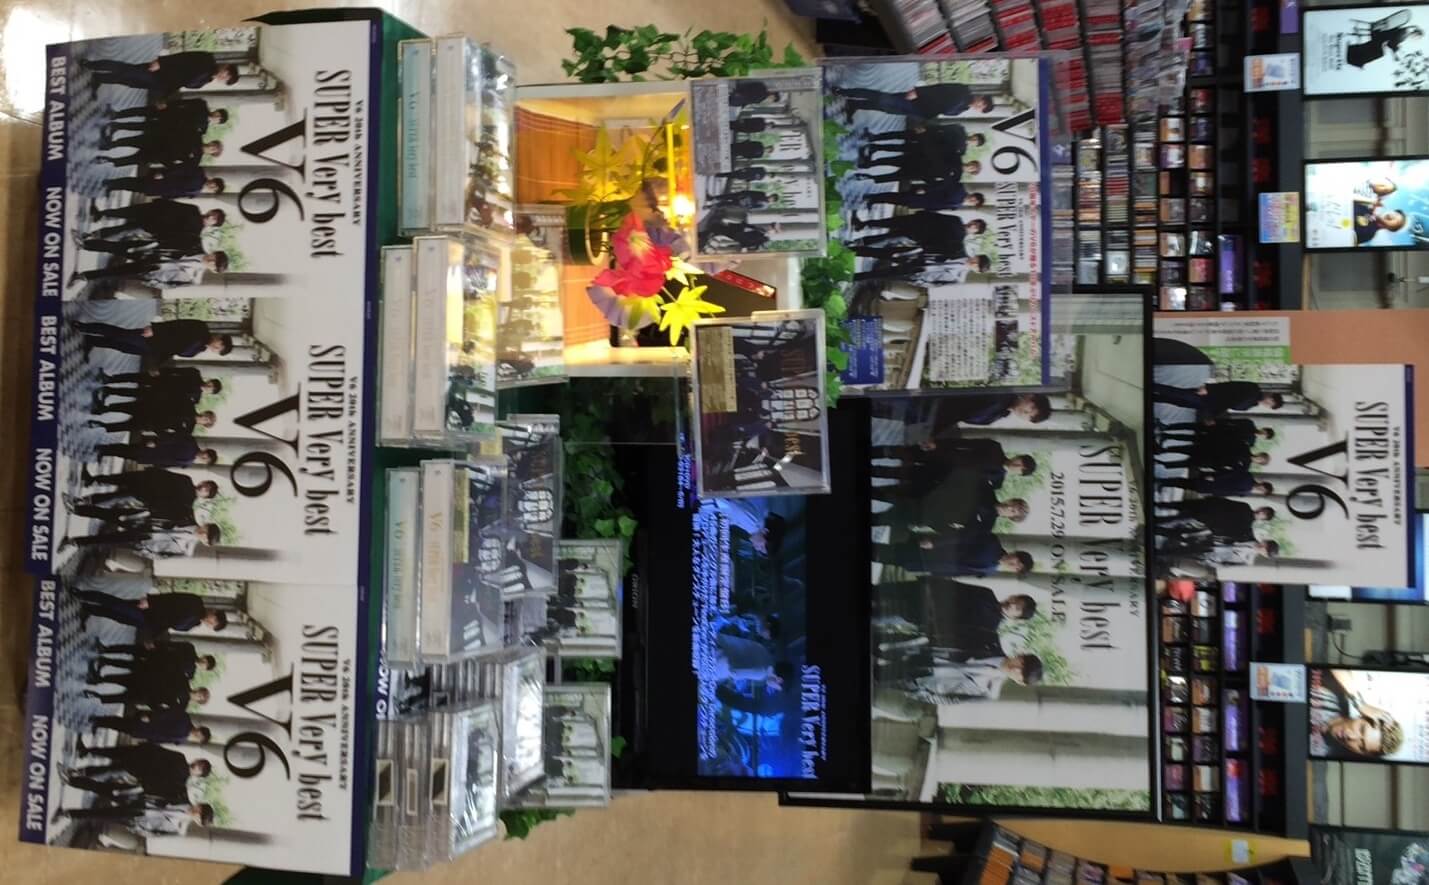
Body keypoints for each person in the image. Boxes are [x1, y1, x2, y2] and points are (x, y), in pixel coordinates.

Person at [875, 579, 1036, 660]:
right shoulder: (988, 593)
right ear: (1013, 596)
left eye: (1017, 609)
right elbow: (956, 586)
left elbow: (956, 631)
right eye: (1016, 600)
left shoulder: (990, 629)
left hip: (923, 615)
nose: (1012, 604)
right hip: (923, 591)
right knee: (880, 590)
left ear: (1016, 618)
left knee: (882, 615)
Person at [62, 739, 210, 807]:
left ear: (198, 775)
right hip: (142, 755)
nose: (197, 765)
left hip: (139, 772)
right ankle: (86, 751)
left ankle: (77, 772)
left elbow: (159, 782)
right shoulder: (181, 757)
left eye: (200, 768)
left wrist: (141, 780)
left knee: (109, 770)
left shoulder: (180, 781)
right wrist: (147, 746)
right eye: (200, 763)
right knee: (113, 752)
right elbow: (162, 751)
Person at [1310, 668, 1405, 759]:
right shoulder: (1331, 695)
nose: (1351, 736)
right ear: (1362, 716)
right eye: (1361, 729)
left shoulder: (1318, 754)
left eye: (1361, 746)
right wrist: (1361, 705)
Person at [72, 467, 216, 525]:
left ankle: (82, 501)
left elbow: (166, 505)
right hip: (146, 479)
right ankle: (92, 480)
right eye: (206, 485)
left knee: (113, 498)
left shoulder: (187, 503)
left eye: (207, 490)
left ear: (205, 496)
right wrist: (153, 471)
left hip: (144, 496)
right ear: (203, 482)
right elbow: (168, 474)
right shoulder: (187, 479)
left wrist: (149, 504)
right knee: (117, 478)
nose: (204, 488)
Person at [904, 653, 1042, 704]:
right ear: (1020, 656)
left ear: (1019, 682)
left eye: (1020, 673)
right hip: (924, 658)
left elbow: (952, 700)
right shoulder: (990, 645)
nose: (1016, 669)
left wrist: (919, 693)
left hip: (921, 685)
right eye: (1021, 664)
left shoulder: (990, 694)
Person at [72, 318, 232, 362]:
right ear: (219, 338)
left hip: (151, 350)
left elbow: (173, 352)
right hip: (153, 336)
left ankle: (92, 341)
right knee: (119, 334)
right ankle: (84, 327)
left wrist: (156, 363)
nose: (216, 349)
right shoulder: (201, 328)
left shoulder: (198, 350)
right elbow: (177, 324)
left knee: (120, 346)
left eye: (218, 351)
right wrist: (155, 328)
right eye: (219, 346)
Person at [68, 589, 228, 633]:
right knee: (116, 604)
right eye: (213, 620)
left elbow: (168, 625)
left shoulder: (193, 625)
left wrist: (151, 635)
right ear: (213, 612)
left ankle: (89, 609)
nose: (209, 623)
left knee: (117, 615)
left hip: (147, 623)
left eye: (212, 626)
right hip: (149, 609)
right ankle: (82, 595)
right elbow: (172, 598)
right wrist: (150, 601)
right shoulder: (196, 602)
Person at [79, 51, 239, 94]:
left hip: (159, 84)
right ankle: (91, 65)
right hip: (160, 70)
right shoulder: (207, 59)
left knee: (127, 81)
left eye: (226, 79)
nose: (223, 76)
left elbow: (179, 84)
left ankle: (99, 78)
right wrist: (161, 62)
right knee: (126, 69)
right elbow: (183, 57)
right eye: (226, 72)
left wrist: (163, 96)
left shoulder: (205, 82)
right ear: (225, 66)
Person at [877, 533, 1033, 577]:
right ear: (1015, 554)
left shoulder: (991, 571)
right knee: (889, 552)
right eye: (1017, 561)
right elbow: (961, 536)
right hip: (933, 550)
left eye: (1017, 568)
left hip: (932, 566)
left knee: (890, 561)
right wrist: (935, 542)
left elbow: (960, 571)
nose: (1013, 565)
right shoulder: (992, 542)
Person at [68, 249, 229, 289]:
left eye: (214, 265)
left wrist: (152, 282)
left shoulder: (195, 278)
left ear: (213, 270)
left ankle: (83, 277)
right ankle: (89, 245)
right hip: (153, 256)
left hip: (152, 273)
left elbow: (171, 285)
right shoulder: (195, 247)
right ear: (214, 253)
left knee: (116, 273)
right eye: (214, 258)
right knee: (120, 258)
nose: (211, 261)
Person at [833, 83, 996, 120]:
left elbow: (941, 111)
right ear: (981, 97)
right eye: (982, 103)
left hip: (918, 111)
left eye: (982, 108)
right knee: (880, 97)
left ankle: (854, 104)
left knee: (884, 107)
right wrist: (918, 91)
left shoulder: (962, 110)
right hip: (917, 98)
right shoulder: (963, 90)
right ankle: (844, 92)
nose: (979, 106)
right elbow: (940, 88)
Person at [51, 802, 215, 837]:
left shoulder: (180, 828)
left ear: (198, 821)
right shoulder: (182, 799)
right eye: (199, 810)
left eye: (199, 816)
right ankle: (68, 813)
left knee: (103, 815)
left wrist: (139, 830)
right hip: (140, 805)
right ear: (199, 805)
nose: (196, 812)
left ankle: (67, 814)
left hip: (137, 820)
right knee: (103, 812)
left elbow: (157, 833)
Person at [93, 639, 216, 682]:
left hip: (155, 668)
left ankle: (105, 662)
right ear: (204, 656)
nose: (203, 663)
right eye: (206, 660)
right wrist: (156, 644)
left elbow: (171, 678)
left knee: (129, 665)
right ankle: (106, 649)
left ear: (204, 669)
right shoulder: (190, 648)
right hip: (157, 652)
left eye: (205, 665)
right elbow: (172, 644)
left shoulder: (190, 674)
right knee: (130, 649)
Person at [85, 668, 202, 712]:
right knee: (121, 679)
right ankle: (98, 679)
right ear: (198, 688)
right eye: (200, 692)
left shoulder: (182, 706)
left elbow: (163, 711)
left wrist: (151, 705)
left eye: (200, 697)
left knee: (121, 698)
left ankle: (97, 696)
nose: (197, 694)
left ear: (198, 701)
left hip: (146, 697)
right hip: (147, 680)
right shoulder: (184, 681)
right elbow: (169, 672)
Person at [98, 366, 221, 407]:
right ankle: (110, 379)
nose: (208, 386)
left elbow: (176, 403)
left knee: (134, 393)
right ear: (210, 380)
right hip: (162, 379)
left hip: (160, 395)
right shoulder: (195, 373)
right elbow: (177, 370)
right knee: (135, 377)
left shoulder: (195, 399)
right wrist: (160, 371)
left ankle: (109, 391)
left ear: (210, 393)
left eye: (211, 389)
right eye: (211, 384)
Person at [1154, 380, 1283, 418]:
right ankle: (1152, 386)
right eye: (1271, 401)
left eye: (1270, 406)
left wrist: (1211, 415)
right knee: (1178, 393)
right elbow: (1231, 385)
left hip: (1207, 405)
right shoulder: (1253, 388)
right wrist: (1209, 388)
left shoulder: (1250, 406)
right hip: (1208, 394)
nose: (1268, 404)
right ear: (1270, 395)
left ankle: (1154, 398)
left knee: (1178, 402)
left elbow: (1226, 405)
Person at [106, 98, 226, 138]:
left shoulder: (203, 130)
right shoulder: (202, 104)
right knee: (141, 111)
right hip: (169, 111)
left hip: (168, 127)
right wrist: (167, 104)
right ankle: (117, 114)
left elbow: (184, 135)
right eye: (218, 113)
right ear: (216, 110)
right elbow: (183, 102)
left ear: (217, 123)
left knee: (141, 126)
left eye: (219, 119)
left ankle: (117, 127)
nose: (217, 116)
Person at [710, 632, 787, 691]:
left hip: (715, 640)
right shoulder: (763, 672)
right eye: (777, 688)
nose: (774, 688)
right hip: (713, 660)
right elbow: (734, 672)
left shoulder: (764, 650)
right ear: (779, 680)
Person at [931, 393, 1052, 430]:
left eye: (1030, 417)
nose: (1026, 413)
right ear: (1030, 396)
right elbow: (958, 408)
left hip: (932, 417)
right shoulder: (1000, 393)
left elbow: (959, 416)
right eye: (1031, 408)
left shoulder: (1001, 414)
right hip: (933, 402)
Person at [91, 709, 211, 746]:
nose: (197, 736)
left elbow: (165, 740)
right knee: (123, 723)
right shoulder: (185, 718)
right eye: (199, 734)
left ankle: (101, 724)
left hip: (148, 734)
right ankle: (99, 720)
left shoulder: (182, 740)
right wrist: (151, 717)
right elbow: (167, 713)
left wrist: (150, 742)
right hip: (149, 722)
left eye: (199, 738)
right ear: (199, 728)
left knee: (123, 729)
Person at [86, 405, 216, 439]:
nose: (204, 418)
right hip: (154, 410)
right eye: (206, 416)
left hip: (153, 424)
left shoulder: (188, 430)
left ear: (204, 424)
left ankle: (102, 426)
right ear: (204, 412)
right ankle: (103, 409)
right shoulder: (190, 407)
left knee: (126, 426)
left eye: (206, 420)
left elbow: (170, 435)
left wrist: (157, 431)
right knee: (127, 408)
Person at [96, 438, 217, 468]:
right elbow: (173, 439)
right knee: (129, 449)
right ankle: (105, 448)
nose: (204, 458)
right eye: (206, 456)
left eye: (206, 460)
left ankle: (106, 452)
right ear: (205, 451)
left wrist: (156, 465)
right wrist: (156, 442)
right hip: (154, 448)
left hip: (154, 459)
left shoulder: (189, 463)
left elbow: (171, 464)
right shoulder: (191, 442)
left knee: (127, 455)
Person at [862, 184, 986, 212]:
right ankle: (873, 197)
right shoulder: (960, 189)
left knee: (897, 202)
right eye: (975, 199)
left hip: (924, 204)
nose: (972, 201)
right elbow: (942, 186)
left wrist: (927, 210)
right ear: (973, 195)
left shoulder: (958, 206)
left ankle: (875, 200)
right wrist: (925, 189)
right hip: (924, 194)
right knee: (897, 196)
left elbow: (941, 207)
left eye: (974, 203)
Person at [105, 169, 225, 199]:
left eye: (214, 189)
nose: (212, 186)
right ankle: (112, 182)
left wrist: (164, 197)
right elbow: (181, 170)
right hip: (162, 180)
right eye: (214, 184)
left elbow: (179, 195)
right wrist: (164, 174)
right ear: (213, 180)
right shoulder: (199, 173)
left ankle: (114, 187)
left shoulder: (196, 193)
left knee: (136, 189)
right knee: (136, 181)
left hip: (162, 191)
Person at [1158, 472, 1274, 497]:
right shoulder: (1248, 476)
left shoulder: (1246, 493)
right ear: (1262, 483)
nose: (1260, 489)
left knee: (1187, 486)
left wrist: (1214, 494)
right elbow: (1230, 474)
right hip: (1214, 481)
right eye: (1263, 488)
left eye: (1262, 491)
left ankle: (1166, 484)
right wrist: (1214, 477)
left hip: (1213, 490)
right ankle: (1164, 481)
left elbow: (1229, 493)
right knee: (1188, 482)